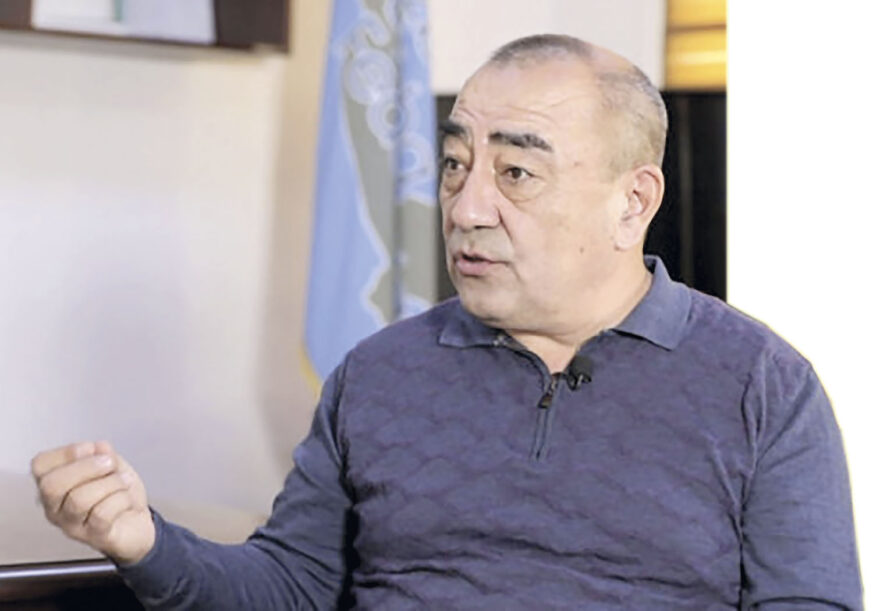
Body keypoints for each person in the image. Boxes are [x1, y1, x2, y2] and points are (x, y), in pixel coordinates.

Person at [31, 34, 862, 609]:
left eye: (517, 173)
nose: (466, 208)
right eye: (457, 163)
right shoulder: (380, 373)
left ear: (632, 201)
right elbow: (289, 586)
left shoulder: (762, 388)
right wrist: (145, 541)